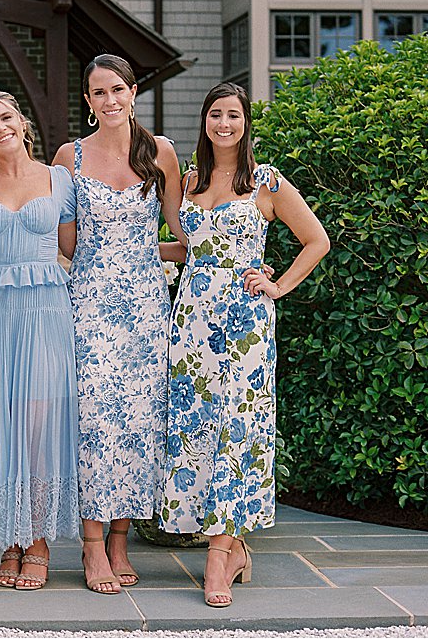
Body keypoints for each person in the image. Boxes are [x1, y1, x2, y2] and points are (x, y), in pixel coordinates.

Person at [158, 82, 329, 607]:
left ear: (245, 122)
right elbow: (188, 247)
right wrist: (130, 250)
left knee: (238, 427)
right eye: (216, 114)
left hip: (243, 321)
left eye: (233, 115)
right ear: (205, 121)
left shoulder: (266, 181)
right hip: (192, 318)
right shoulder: (189, 181)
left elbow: (316, 240)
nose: (224, 123)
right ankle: (232, 549)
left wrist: (278, 286)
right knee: (196, 426)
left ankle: (219, 556)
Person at [52, 53, 187, 595]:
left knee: (137, 418)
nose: (110, 100)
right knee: (93, 419)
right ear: (88, 101)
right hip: (88, 303)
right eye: (99, 92)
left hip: (146, 307)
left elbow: (182, 232)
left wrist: (238, 257)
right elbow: (63, 239)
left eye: (118, 89)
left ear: (133, 93)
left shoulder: (161, 153)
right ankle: (91, 543)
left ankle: (120, 539)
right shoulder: (70, 156)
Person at [0, 91, 81, 591]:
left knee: (36, 422)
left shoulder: (59, 179)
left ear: (23, 123)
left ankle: (37, 539)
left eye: (6, 117)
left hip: (44, 310)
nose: (0, 128)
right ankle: (7, 541)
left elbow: (75, 247)